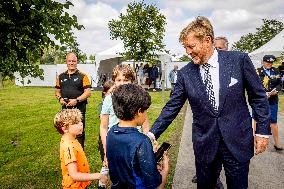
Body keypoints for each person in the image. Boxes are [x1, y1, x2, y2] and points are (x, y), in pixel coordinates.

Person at [147, 16, 270, 189]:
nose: (188, 52)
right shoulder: (185, 74)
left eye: (191, 46)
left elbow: (257, 96)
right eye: (185, 47)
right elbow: (172, 107)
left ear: (207, 41)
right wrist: (151, 134)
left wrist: (263, 131)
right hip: (205, 143)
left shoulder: (238, 60)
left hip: (237, 141)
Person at [107, 83, 169, 188]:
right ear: (139, 111)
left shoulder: (111, 132)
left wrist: (148, 158)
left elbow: (128, 161)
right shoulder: (142, 141)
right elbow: (155, 185)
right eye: (146, 110)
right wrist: (165, 170)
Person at [100, 64, 150, 168]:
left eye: (126, 80)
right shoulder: (109, 99)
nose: (122, 83)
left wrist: (146, 144)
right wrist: (106, 150)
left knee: (135, 170)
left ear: (132, 81)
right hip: (115, 142)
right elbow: (103, 126)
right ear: (114, 81)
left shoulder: (138, 97)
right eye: (119, 80)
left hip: (135, 141)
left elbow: (145, 123)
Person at [54, 109, 108, 189]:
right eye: (76, 123)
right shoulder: (69, 147)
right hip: (74, 186)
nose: (81, 124)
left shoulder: (70, 139)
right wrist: (99, 176)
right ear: (65, 129)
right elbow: (74, 175)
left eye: (80, 121)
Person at [55, 52, 91, 149]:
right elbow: (57, 91)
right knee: (66, 129)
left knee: (78, 131)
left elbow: (88, 92)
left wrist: (77, 100)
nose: (71, 63)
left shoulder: (83, 76)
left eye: (73, 61)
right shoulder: (61, 76)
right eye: (69, 61)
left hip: (79, 108)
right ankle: (68, 149)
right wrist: (60, 99)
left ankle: (80, 152)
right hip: (65, 109)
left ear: (76, 62)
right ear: (66, 62)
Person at [254, 55, 283, 150]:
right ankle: (254, 140)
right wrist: (262, 93)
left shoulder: (276, 71)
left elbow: (279, 84)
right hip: (259, 101)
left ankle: (277, 143)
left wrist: (276, 91)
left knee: (273, 122)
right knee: (256, 120)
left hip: (272, 100)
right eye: (267, 62)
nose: (269, 64)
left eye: (271, 63)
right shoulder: (257, 71)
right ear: (263, 62)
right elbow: (253, 84)